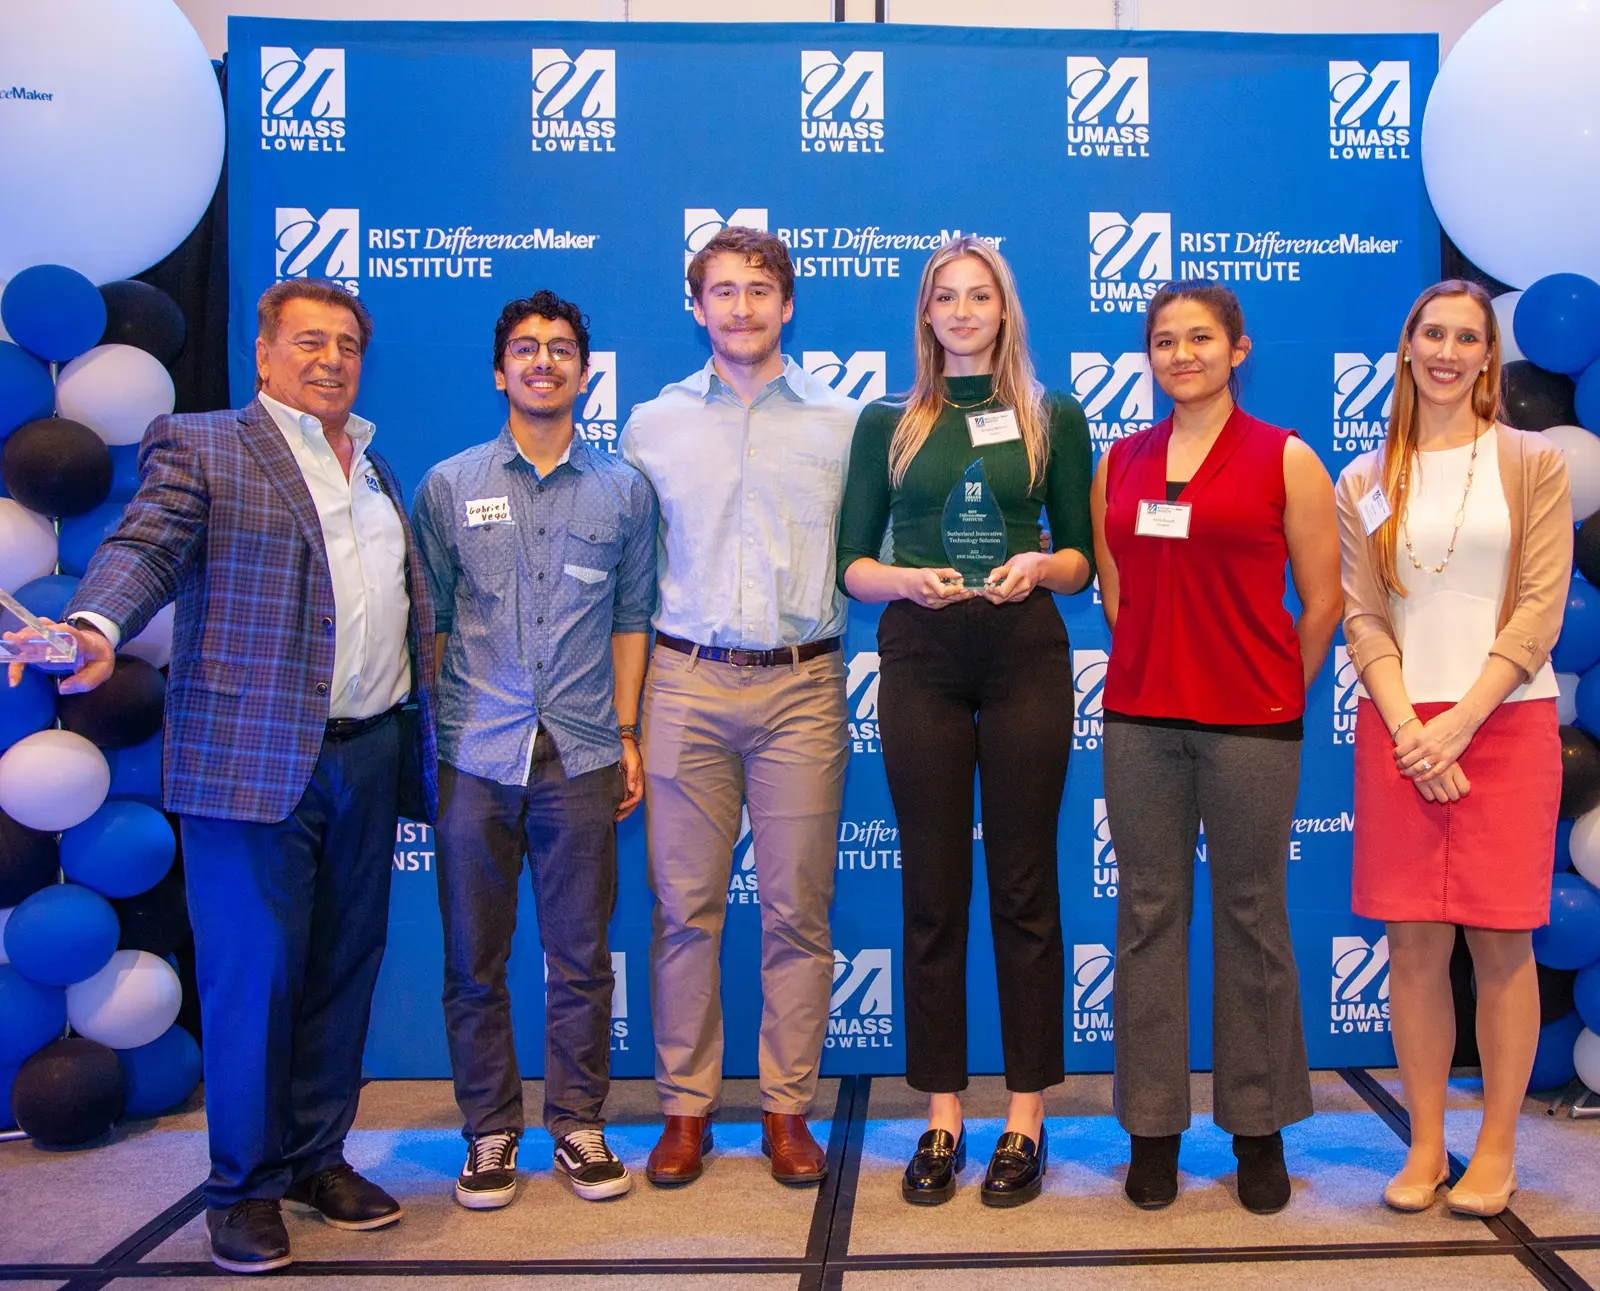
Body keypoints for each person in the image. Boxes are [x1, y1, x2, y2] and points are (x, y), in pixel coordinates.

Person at [6, 281, 437, 1274]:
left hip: (367, 755)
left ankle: (316, 1158)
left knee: (341, 969)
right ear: (265, 354)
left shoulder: (373, 465)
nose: (330, 359)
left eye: (346, 344)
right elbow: (145, 544)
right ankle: (242, 1190)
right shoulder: (203, 444)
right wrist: (93, 626)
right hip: (251, 761)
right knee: (255, 981)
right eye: (309, 342)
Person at [837, 236, 1093, 1208]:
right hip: (920, 655)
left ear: (1003, 308)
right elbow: (851, 563)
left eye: (977, 295)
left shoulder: (1049, 416)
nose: (960, 310)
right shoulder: (889, 423)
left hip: (1023, 649)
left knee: (1024, 887)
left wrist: (1039, 569)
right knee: (933, 893)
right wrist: (904, 582)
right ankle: (941, 1114)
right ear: (926, 314)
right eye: (943, 296)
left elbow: (1081, 557)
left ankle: (1025, 1117)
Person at [1089, 280, 1341, 1214]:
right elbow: (1115, 591)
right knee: (1149, 916)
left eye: (1200, 337)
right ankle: (1152, 1131)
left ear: (1238, 349)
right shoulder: (1119, 461)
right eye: (1164, 340)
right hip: (1143, 723)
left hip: (1252, 726)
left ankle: (1258, 1128)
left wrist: (1275, 683)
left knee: (1252, 917)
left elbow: (1321, 601)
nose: (1181, 353)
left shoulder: (1287, 459)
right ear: (1149, 356)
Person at [620, 226, 859, 1188]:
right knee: (685, 909)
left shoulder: (846, 424)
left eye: (760, 290)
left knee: (800, 908)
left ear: (788, 303)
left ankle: (786, 1110)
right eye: (723, 291)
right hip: (684, 679)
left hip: (804, 683)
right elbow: (630, 581)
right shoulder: (651, 425)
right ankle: (685, 1111)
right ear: (696, 305)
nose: (743, 308)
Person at [411, 292, 656, 1209]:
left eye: (560, 349)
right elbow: (428, 623)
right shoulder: (447, 484)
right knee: (473, 955)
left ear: (585, 370)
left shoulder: (625, 490)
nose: (542, 362)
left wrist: (627, 731)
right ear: (499, 370)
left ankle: (579, 1122)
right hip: (476, 750)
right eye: (525, 349)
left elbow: (633, 619)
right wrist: (437, 740)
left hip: (585, 750)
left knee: (580, 952)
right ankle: (489, 1132)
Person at [1337, 280, 1570, 1218]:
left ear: (1487, 357)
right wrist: (1408, 726)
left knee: (1502, 942)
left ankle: (1499, 1145)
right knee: (1414, 944)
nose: (1446, 349)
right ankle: (1427, 1142)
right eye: (1431, 332)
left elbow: (1541, 603)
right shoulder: (1365, 476)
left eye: (1466, 337)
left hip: (1503, 720)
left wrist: (1460, 721)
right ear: (1407, 346)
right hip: (1401, 726)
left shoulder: (1530, 461)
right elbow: (1362, 615)